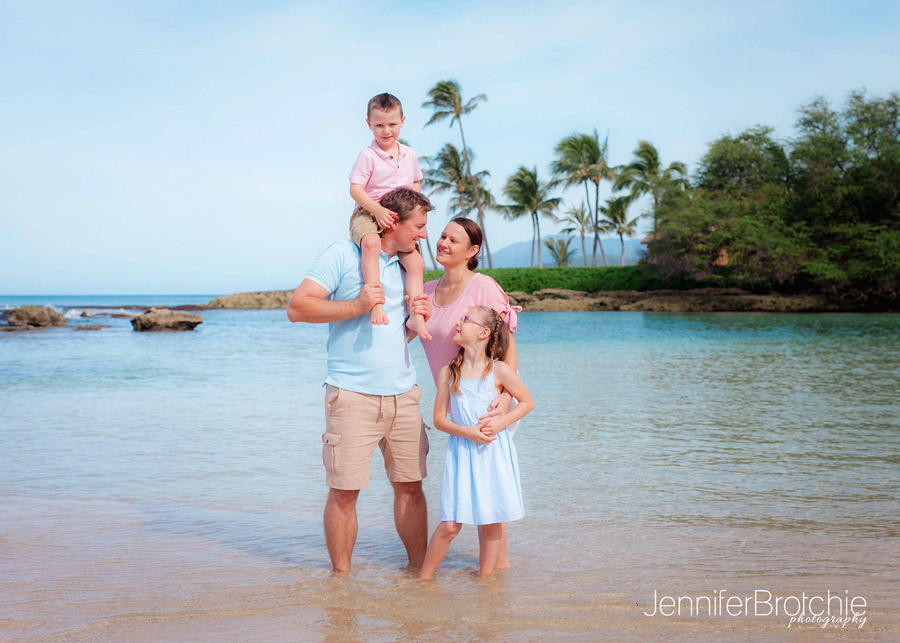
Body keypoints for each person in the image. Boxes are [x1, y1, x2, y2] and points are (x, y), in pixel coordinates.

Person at [287, 188, 434, 574]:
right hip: (351, 396)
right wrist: (357, 305)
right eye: (418, 227)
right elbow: (298, 308)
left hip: (404, 395)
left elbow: (399, 335)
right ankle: (341, 587)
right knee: (344, 492)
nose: (423, 236)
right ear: (392, 222)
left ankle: (419, 578)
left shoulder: (408, 265)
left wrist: (419, 320)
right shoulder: (341, 253)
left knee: (411, 488)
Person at [408, 217, 522, 568]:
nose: (442, 242)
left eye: (453, 240)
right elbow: (403, 337)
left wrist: (504, 397)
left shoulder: (483, 286)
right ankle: (496, 581)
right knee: (473, 493)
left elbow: (506, 343)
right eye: (441, 236)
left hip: (491, 398)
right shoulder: (424, 291)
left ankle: (494, 581)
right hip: (455, 403)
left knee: (490, 496)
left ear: (472, 251)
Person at [419, 306, 534, 579]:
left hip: (494, 451)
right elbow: (438, 419)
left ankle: (485, 584)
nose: (457, 322)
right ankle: (424, 579)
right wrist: (467, 432)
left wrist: (502, 422)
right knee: (449, 525)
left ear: (483, 333)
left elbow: (527, 402)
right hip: (461, 451)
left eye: (465, 319)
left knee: (492, 520)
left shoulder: (500, 370)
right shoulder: (449, 372)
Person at [349, 92, 430, 340]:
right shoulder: (368, 155)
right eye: (379, 125)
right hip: (368, 213)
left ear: (402, 121)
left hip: (400, 217)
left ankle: (415, 315)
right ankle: (375, 301)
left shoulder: (409, 154)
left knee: (416, 263)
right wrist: (377, 210)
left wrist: (415, 218)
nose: (386, 131)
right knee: (372, 244)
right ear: (369, 124)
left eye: (392, 124)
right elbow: (355, 190)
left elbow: (416, 183)